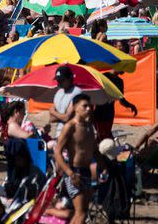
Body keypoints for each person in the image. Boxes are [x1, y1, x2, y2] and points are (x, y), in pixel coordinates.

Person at [54, 94, 96, 224]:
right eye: (85, 106)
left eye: (90, 106)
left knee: (83, 212)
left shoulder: (89, 126)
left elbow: (94, 149)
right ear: (75, 108)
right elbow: (57, 152)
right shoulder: (70, 126)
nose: (88, 109)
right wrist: (70, 173)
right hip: (74, 172)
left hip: (87, 172)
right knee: (81, 213)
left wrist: (104, 166)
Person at [92, 71, 137, 141]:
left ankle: (99, 150)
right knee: (103, 137)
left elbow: (121, 99)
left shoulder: (119, 81)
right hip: (99, 112)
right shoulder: (103, 77)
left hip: (109, 113)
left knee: (104, 136)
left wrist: (131, 106)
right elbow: (93, 93)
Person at [49, 65, 83, 137]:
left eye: (61, 80)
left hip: (73, 135)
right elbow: (51, 119)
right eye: (58, 80)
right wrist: (62, 116)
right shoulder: (58, 93)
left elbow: (66, 118)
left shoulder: (77, 92)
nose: (59, 82)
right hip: (59, 133)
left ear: (70, 78)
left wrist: (53, 112)